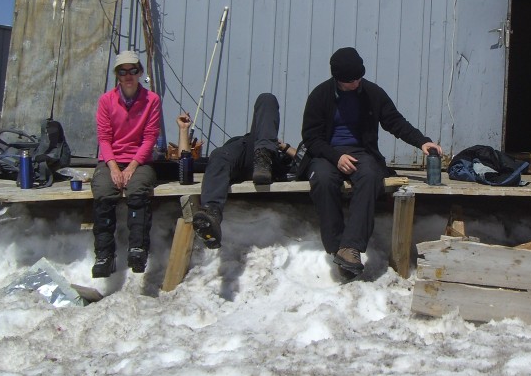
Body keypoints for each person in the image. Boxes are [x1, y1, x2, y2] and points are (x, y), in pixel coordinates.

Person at [301, 47, 441, 277]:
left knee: (370, 176)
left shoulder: (372, 93)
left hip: (361, 152)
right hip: (327, 154)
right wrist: (336, 157)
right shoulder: (320, 95)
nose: (356, 83)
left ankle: (351, 248)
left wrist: (422, 142)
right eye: (350, 81)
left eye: (358, 78)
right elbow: (311, 138)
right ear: (337, 78)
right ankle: (337, 247)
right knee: (323, 181)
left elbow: (395, 121)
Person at [189, 94, 296, 248]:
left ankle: (264, 156)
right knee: (219, 155)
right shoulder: (237, 147)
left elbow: (303, 159)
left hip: (269, 161)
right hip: (241, 156)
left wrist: (282, 146)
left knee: (266, 99)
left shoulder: (283, 149)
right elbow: (189, 162)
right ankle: (211, 214)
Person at [91, 49, 162, 277]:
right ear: (117, 75)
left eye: (133, 70)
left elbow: (150, 137)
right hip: (111, 159)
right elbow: (104, 137)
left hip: (139, 161)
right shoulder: (106, 101)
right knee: (103, 192)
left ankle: (137, 249)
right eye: (123, 71)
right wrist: (112, 167)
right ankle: (104, 255)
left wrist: (132, 166)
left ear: (139, 72)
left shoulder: (152, 100)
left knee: (137, 191)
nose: (128, 75)